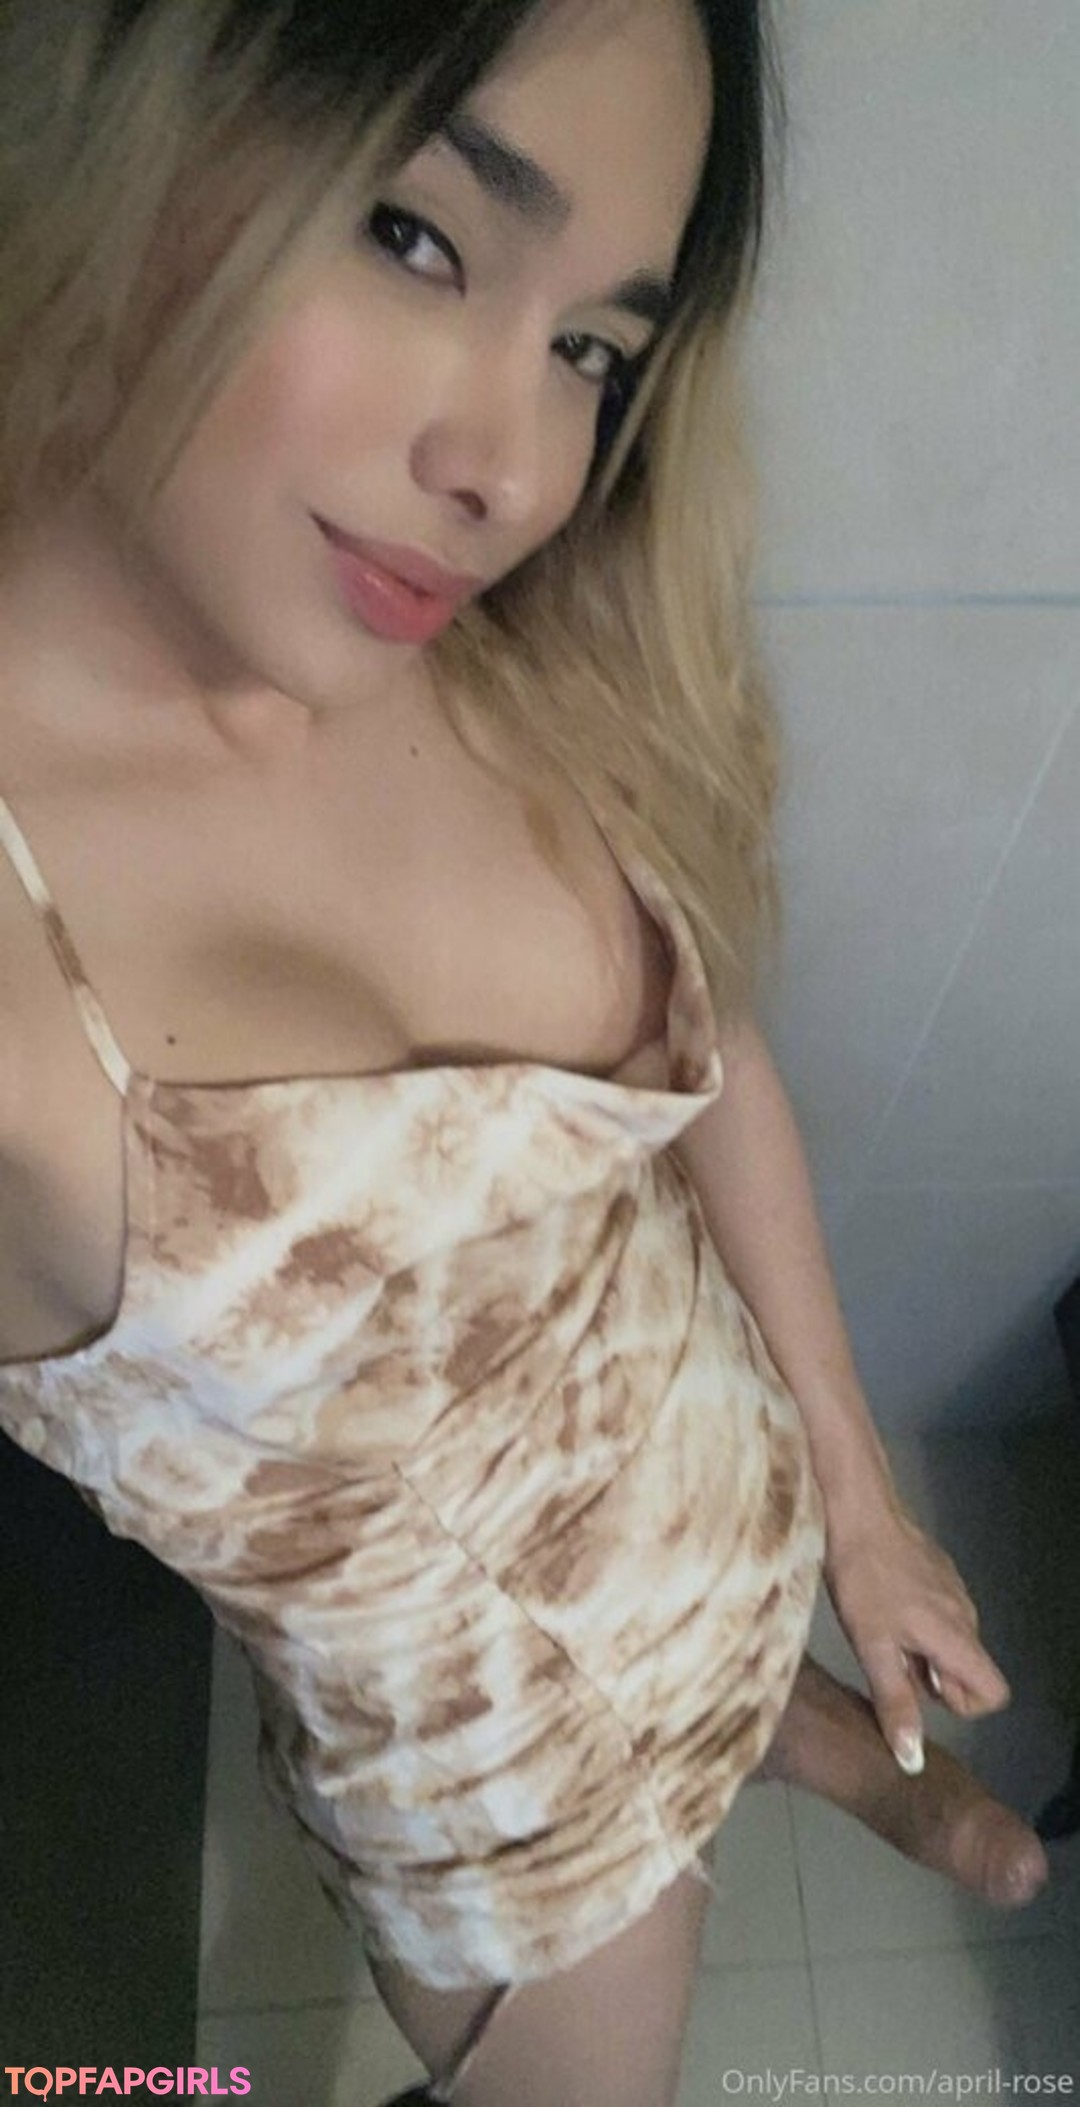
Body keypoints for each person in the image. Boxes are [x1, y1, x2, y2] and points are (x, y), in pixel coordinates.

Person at [0, 2, 1049, 2102]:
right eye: (416, 236)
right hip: (525, 1803)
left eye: (592, 350)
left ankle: (806, 1737)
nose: (513, 474)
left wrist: (854, 1500)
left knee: (744, 1617)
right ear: (129, 114)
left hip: (723, 1484)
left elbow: (709, 1043)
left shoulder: (510, 646)